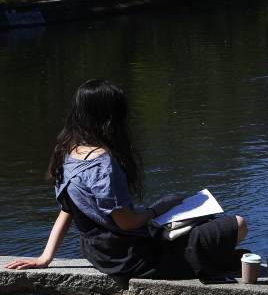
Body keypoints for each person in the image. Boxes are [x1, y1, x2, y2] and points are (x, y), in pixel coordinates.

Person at [4, 80, 249, 279]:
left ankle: (215, 260)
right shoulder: (102, 164)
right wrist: (158, 209)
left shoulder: (67, 152)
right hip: (132, 255)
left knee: (215, 236)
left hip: (100, 253)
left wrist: (45, 257)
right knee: (237, 224)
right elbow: (127, 223)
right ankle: (208, 261)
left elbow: (66, 210)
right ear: (111, 118)